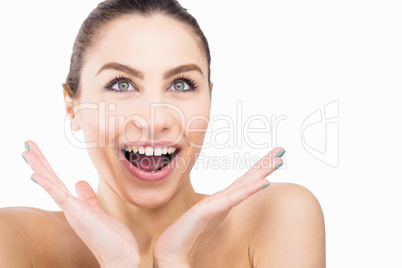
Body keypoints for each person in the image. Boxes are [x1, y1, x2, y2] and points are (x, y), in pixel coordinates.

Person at [0, 0, 325, 267]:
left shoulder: (277, 217)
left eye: (181, 84)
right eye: (122, 84)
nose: (154, 121)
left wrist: (175, 260)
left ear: (210, 98)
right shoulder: (12, 238)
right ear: (73, 108)